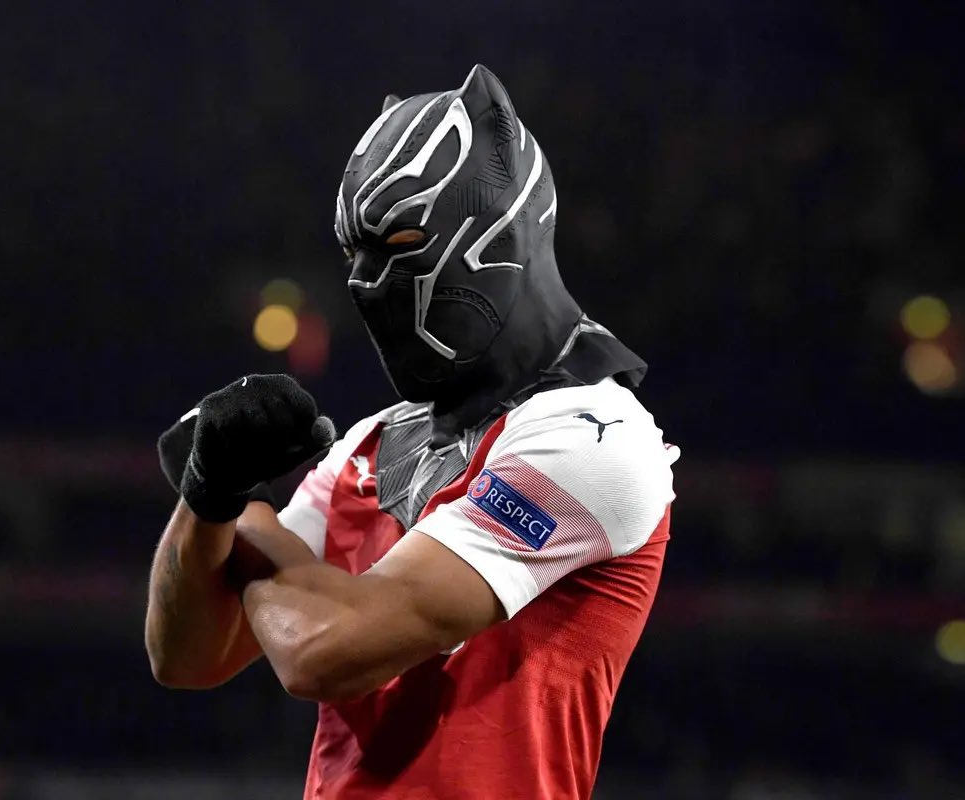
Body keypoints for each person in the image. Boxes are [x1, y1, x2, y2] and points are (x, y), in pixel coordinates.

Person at [145, 64, 680, 800]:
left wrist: (246, 512)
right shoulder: (371, 444)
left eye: (397, 239)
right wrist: (207, 499)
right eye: (352, 253)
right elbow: (186, 657)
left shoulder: (594, 436)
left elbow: (324, 649)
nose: (364, 281)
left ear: (499, 232)